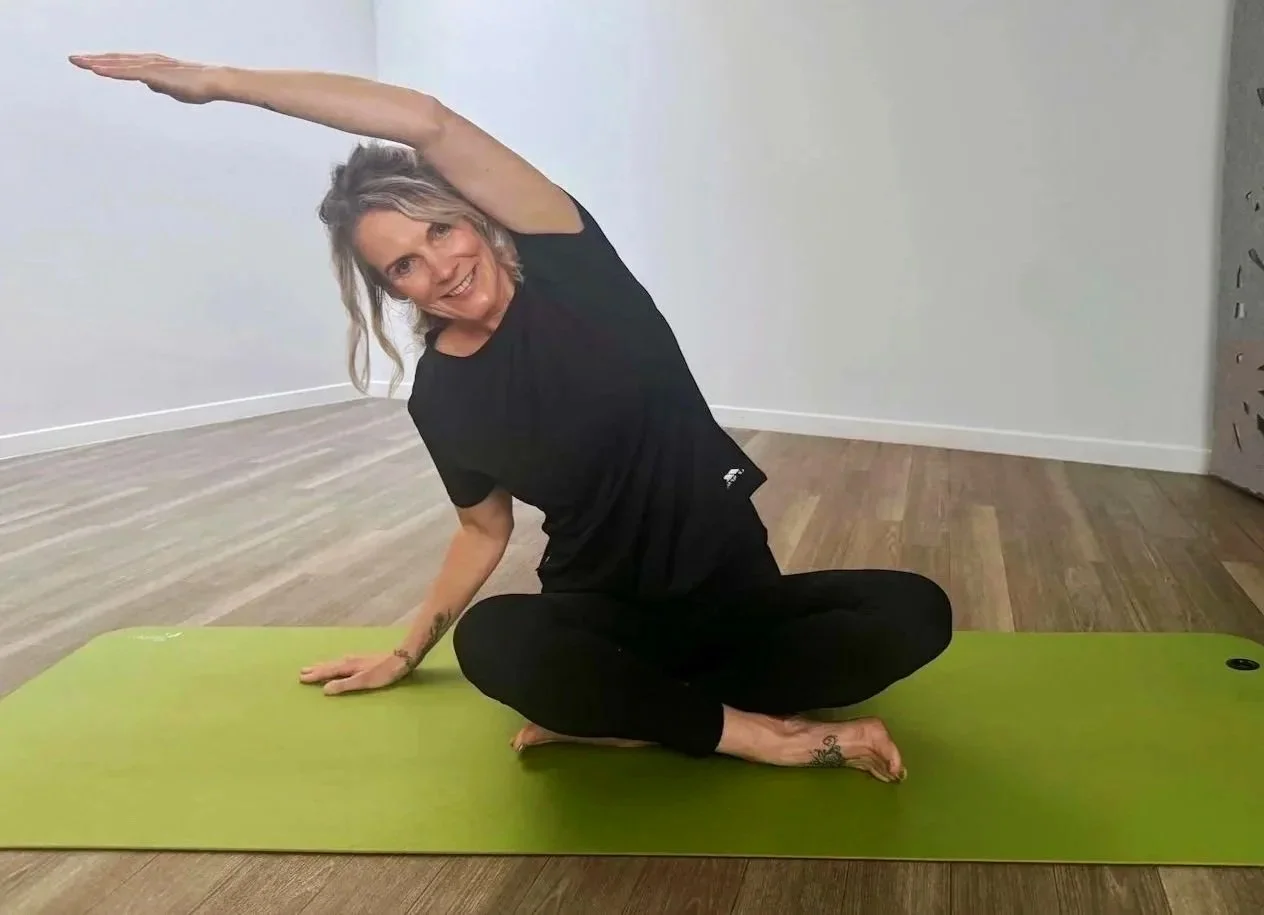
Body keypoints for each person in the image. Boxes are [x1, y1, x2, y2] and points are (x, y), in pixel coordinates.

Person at [72, 53, 953, 781]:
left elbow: (427, 122)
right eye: (404, 269)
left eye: (441, 233)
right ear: (392, 292)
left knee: (916, 610)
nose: (440, 269)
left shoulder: (578, 272)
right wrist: (405, 651)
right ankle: (758, 733)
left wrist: (221, 82)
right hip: (607, 614)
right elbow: (478, 528)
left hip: (737, 601)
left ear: (474, 218)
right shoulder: (440, 394)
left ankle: (631, 714)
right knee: (498, 639)